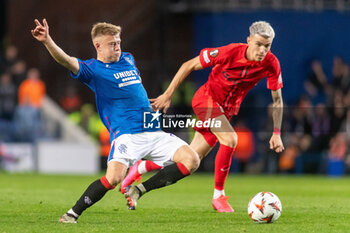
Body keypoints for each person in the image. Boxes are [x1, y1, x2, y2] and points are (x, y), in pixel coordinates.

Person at [31, 19, 200, 223]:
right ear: (98, 46)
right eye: (112, 43)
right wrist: (47, 40)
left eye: (118, 42)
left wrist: (148, 105)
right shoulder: (92, 70)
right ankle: (72, 214)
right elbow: (66, 60)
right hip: (127, 136)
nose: (118, 46)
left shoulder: (128, 59)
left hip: (153, 130)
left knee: (192, 160)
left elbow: (132, 91)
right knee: (114, 179)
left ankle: (139, 190)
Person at [121, 21, 284, 213]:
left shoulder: (271, 63)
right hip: (206, 100)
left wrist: (276, 132)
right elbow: (188, 65)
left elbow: (278, 100)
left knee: (190, 161)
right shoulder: (230, 52)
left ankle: (139, 179)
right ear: (248, 40)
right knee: (231, 139)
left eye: (267, 46)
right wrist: (168, 94)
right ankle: (219, 197)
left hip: (225, 111)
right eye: (258, 44)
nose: (263, 50)